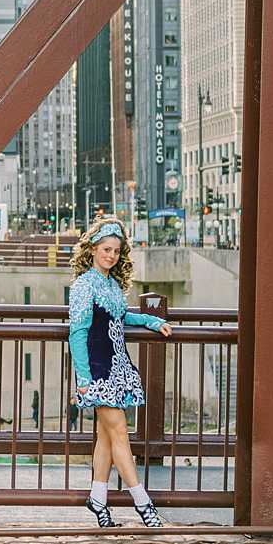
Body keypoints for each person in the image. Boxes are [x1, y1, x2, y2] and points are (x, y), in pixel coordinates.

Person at [67, 215, 173, 528]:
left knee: (106, 436)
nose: (111, 255)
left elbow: (121, 317)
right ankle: (144, 505)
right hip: (98, 371)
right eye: (106, 249)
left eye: (116, 250)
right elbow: (78, 333)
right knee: (120, 434)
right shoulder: (84, 286)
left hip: (117, 366)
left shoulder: (112, 284)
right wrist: (84, 377)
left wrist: (152, 321)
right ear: (93, 249)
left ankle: (97, 499)